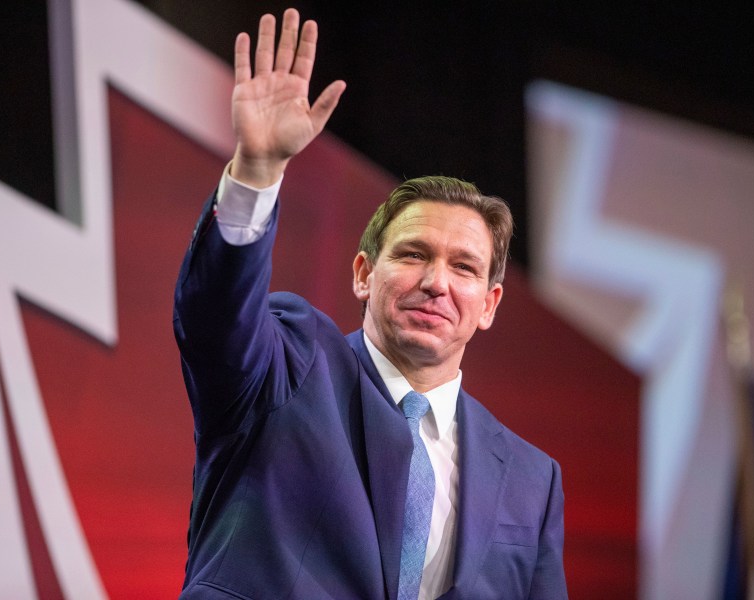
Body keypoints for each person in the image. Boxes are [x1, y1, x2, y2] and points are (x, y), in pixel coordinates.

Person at [173, 8, 566, 600]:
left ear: (489, 304)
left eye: (464, 267)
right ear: (363, 273)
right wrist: (256, 170)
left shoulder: (533, 481)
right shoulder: (291, 365)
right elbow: (215, 316)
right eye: (413, 254)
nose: (437, 281)